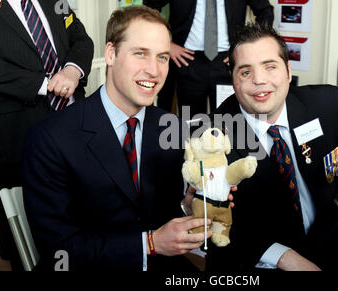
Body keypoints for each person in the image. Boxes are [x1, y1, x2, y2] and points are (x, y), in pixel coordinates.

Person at [22, 6, 212, 271]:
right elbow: (59, 251)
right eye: (140, 54)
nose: (154, 71)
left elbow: (161, 215)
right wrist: (150, 244)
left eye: (163, 57)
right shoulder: (50, 138)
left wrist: (187, 206)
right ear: (110, 54)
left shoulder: (174, 129)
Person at [208, 23, 338, 271]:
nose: (259, 80)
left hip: (329, 236)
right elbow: (217, 222)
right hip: (260, 255)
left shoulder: (326, 104)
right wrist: (285, 257)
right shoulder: (212, 137)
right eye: (245, 72)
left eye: (270, 66)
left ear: (288, 71)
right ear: (233, 80)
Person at [0, 0, 94, 270]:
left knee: (80, 196)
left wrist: (72, 70)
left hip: (71, 117)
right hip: (16, 126)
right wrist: (46, 84)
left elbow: (80, 38)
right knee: (21, 209)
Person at [144, 0, 274, 117]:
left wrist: (247, 48)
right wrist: (167, 44)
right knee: (191, 123)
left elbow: (265, 11)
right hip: (187, 61)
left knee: (229, 122)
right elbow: (149, 6)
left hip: (228, 63)